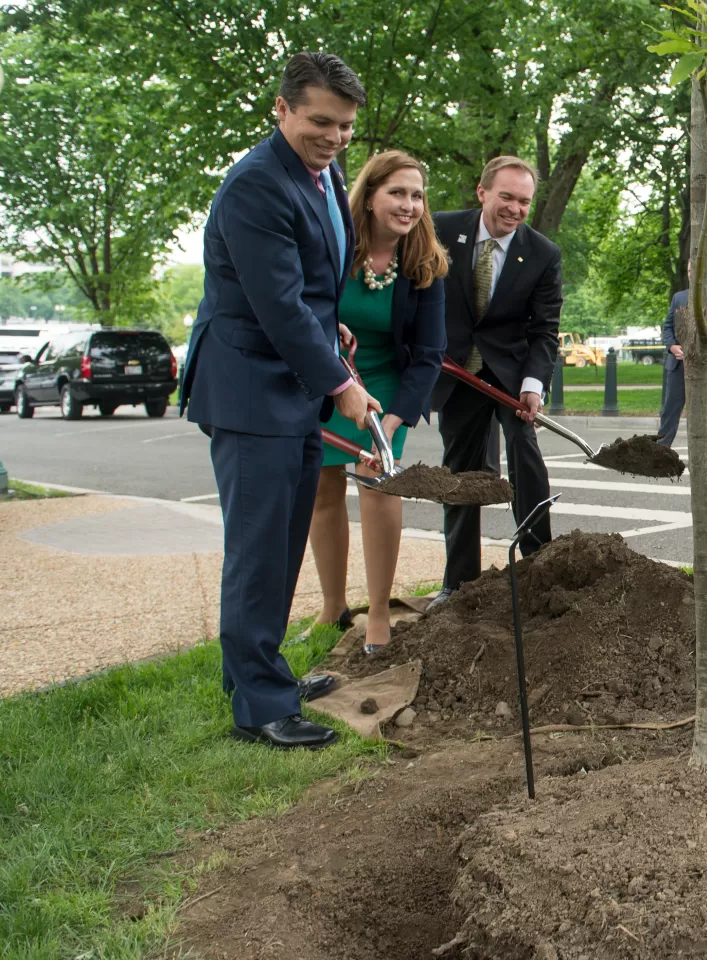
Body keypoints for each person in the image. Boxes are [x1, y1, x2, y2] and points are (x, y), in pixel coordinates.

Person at [180, 53, 379, 750]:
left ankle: (261, 673)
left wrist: (334, 327)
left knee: (283, 539)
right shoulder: (255, 186)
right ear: (282, 109)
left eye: (346, 127)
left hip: (288, 385)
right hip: (248, 387)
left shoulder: (318, 178)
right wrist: (344, 386)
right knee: (258, 549)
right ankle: (259, 708)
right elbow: (279, 306)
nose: (333, 137)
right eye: (320, 121)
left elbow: (310, 292)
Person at [305, 150, 448, 654]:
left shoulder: (425, 262)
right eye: (397, 193)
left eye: (416, 195)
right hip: (332, 379)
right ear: (368, 197)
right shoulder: (332, 246)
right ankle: (332, 606)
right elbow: (305, 310)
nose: (409, 205)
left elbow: (430, 354)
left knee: (378, 483)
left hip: (390, 385)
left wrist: (389, 422)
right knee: (322, 491)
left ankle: (381, 612)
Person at [429, 156, 562, 609]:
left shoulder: (543, 253)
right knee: (461, 473)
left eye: (524, 201)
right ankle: (458, 582)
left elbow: (545, 329)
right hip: (458, 372)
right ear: (483, 192)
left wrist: (533, 384)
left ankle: (541, 565)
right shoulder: (441, 230)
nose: (515, 208)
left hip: (512, 373)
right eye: (506, 196)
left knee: (524, 453)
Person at [656, 265, 707, 448]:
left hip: (704, 364)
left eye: (695, 270)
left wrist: (693, 350)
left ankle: (706, 451)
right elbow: (667, 326)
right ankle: (661, 450)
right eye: (688, 271)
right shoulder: (678, 297)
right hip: (678, 364)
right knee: (669, 410)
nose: (691, 274)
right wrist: (672, 346)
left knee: (703, 412)